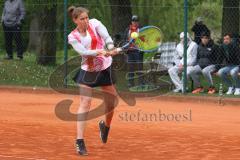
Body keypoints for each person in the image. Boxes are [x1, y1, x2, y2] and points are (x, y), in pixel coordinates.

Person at [68, 6, 118, 156]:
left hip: (104, 69)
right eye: (82, 19)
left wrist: (110, 47)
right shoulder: (73, 36)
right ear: (75, 20)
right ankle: (79, 141)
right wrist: (100, 51)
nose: (85, 21)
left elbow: (107, 38)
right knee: (85, 102)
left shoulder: (95, 23)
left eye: (86, 17)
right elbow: (83, 52)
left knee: (112, 102)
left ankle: (105, 126)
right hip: (88, 72)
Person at [124, 15, 144, 87]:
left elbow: (144, 40)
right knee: (130, 67)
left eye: (136, 21)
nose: (135, 23)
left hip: (138, 51)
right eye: (133, 21)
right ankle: (130, 83)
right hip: (130, 51)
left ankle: (141, 83)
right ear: (131, 22)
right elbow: (125, 39)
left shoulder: (141, 29)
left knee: (139, 67)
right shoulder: (128, 29)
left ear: (138, 22)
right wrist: (125, 48)